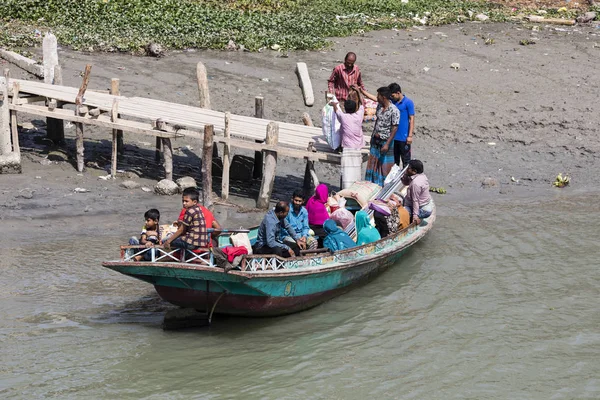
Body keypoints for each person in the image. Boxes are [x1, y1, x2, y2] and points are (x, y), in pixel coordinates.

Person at [358, 86, 399, 186]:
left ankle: (382, 186)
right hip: (375, 140)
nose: (377, 98)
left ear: (384, 97)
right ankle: (371, 184)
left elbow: (394, 128)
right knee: (372, 163)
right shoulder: (380, 107)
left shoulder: (394, 110)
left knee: (383, 166)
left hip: (385, 141)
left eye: (379, 96)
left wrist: (387, 144)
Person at [331, 91, 366, 189]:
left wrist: (334, 104)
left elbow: (336, 110)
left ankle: (346, 189)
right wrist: (358, 92)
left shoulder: (343, 117)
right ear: (355, 108)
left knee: (347, 172)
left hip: (347, 149)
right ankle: (355, 189)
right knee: (356, 171)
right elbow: (362, 103)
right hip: (357, 148)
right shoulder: (359, 116)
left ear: (345, 109)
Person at [163, 187, 209, 252]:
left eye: (186, 201)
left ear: (194, 202)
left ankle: (172, 257)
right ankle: (183, 258)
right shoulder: (199, 209)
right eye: (183, 201)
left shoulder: (189, 211)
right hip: (200, 242)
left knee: (165, 241)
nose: (184, 203)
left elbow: (181, 229)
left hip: (191, 242)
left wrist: (168, 241)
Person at [388, 83, 415, 168]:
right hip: (393, 137)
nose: (392, 97)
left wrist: (410, 135)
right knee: (394, 161)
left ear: (398, 93)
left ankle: (407, 180)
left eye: (393, 95)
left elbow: (412, 119)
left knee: (406, 161)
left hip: (404, 138)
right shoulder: (392, 102)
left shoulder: (408, 103)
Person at [402, 159, 433, 225]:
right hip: (423, 203)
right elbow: (406, 183)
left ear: (414, 171)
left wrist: (415, 216)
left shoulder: (415, 183)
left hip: (422, 209)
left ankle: (411, 218)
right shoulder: (421, 176)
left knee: (402, 213)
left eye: (408, 168)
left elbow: (415, 201)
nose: (407, 169)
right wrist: (405, 174)